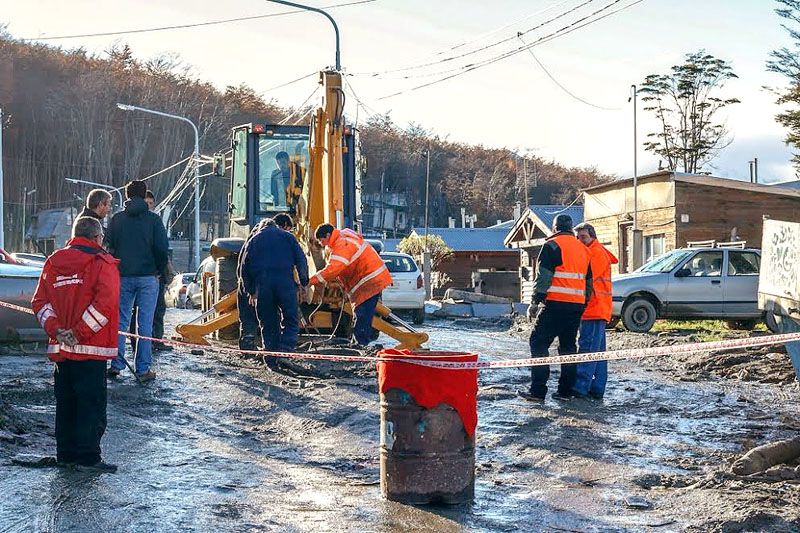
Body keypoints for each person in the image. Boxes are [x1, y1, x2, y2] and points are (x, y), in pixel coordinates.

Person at [31, 217, 120, 473]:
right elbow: (105, 304)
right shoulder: (102, 262)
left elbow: (40, 303)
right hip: (91, 350)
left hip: (62, 350)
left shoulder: (53, 262)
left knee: (66, 403)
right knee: (91, 405)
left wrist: (57, 330)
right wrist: (79, 333)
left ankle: (66, 455)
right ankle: (88, 458)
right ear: (97, 238)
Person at [521, 214, 592, 402]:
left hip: (555, 304)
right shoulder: (583, 249)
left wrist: (535, 302)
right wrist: (583, 303)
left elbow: (544, 276)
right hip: (576, 306)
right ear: (570, 228)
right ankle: (565, 392)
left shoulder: (552, 245)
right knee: (568, 347)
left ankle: (537, 391)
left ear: (555, 228)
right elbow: (589, 281)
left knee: (538, 343)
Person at [105, 180, 169, 381]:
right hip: (149, 276)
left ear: (127, 195)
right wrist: (159, 270)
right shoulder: (153, 220)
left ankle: (116, 364)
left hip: (122, 276)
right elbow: (162, 248)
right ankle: (142, 369)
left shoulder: (117, 219)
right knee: (145, 324)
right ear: (143, 195)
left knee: (121, 321)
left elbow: (108, 247)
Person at [309, 224, 393, 347]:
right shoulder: (344, 238)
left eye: (322, 240)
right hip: (370, 280)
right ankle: (359, 343)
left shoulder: (342, 244)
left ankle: (361, 344)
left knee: (362, 315)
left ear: (327, 235)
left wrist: (311, 281)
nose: (322, 244)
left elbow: (333, 268)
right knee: (362, 314)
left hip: (369, 280)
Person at [239, 214, 309, 355]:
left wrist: (251, 291)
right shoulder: (288, 237)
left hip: (263, 287)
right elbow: (301, 260)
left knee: (268, 322)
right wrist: (304, 282)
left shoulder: (253, 240)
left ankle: (271, 356)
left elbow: (243, 268)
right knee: (290, 320)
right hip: (285, 285)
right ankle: (285, 350)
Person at [572, 223, 618, 400]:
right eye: (578, 238)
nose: (580, 241)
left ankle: (581, 387)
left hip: (593, 308)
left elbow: (585, 277)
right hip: (598, 308)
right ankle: (597, 388)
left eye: (583, 237)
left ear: (593, 236)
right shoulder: (596, 252)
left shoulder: (595, 253)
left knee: (588, 348)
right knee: (597, 351)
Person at [130, 190, 173, 353]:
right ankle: (137, 342)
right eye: (145, 203)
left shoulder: (155, 222)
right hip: (140, 273)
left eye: (150, 203)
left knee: (158, 308)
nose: (148, 206)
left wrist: (162, 269)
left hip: (154, 273)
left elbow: (162, 249)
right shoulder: (135, 222)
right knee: (137, 311)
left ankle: (156, 339)